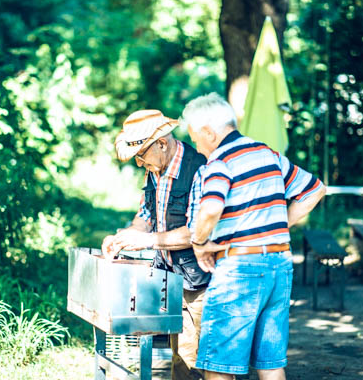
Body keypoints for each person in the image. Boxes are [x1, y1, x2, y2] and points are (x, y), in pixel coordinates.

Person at [181, 93, 326, 380]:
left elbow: (211, 208)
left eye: (195, 139)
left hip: (239, 270)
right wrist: (276, 227)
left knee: (217, 366)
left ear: (209, 132)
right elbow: (315, 190)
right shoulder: (268, 154)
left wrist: (199, 243)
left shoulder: (219, 161)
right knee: (269, 364)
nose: (196, 147)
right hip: (279, 265)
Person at [102, 109, 210, 380]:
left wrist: (148, 241)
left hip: (204, 280)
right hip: (173, 277)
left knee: (211, 360)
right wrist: (122, 238)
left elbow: (197, 233)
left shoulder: (199, 169)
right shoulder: (155, 168)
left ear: (161, 143)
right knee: (181, 357)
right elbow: (146, 216)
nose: (139, 164)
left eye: (140, 155)